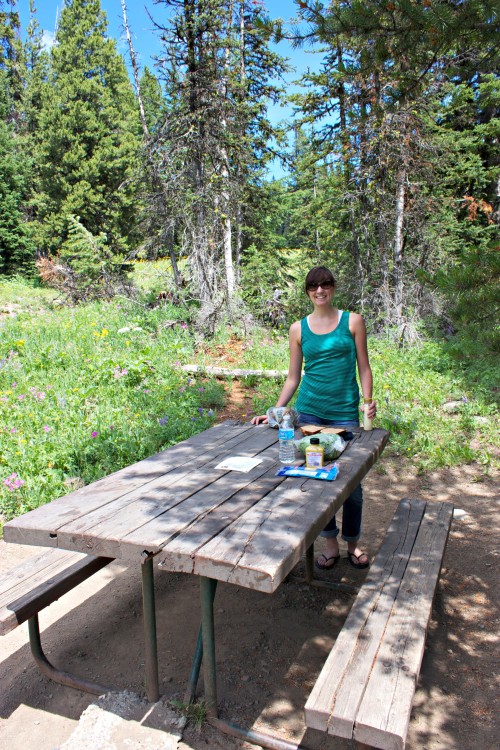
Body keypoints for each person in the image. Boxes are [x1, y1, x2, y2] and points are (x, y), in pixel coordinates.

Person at [251, 266, 377, 570]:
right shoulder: (298, 329)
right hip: (308, 413)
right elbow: (293, 377)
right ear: (307, 291)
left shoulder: (353, 321)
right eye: (313, 287)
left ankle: (353, 544)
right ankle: (331, 545)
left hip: (345, 413)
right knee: (317, 481)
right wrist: (276, 409)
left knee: (352, 485)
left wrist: (369, 403)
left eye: (325, 285)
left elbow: (364, 367)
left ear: (333, 287)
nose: (319, 291)